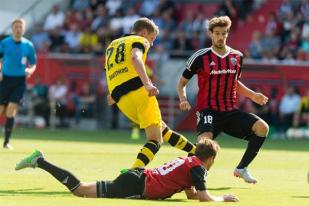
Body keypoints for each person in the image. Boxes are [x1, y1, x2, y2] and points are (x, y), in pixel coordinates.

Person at [177, 16, 269, 184]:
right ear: (210, 34)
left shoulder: (237, 56)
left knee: (262, 128)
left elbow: (234, 82)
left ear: (227, 33)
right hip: (208, 110)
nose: (220, 37)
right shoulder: (200, 57)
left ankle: (241, 168)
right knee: (205, 146)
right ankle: (194, 179)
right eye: (217, 33)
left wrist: (253, 95)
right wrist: (183, 98)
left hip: (229, 111)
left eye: (224, 33)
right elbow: (182, 82)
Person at [15, 139, 239, 202]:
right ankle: (41, 161)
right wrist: (222, 198)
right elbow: (203, 198)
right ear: (210, 159)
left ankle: (40, 160)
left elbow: (190, 193)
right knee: (80, 191)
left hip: (137, 176)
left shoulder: (187, 161)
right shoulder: (199, 168)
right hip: (136, 185)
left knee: (82, 189)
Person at [105, 17, 195, 168]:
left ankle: (195, 151)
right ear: (144, 32)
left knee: (162, 128)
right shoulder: (139, 40)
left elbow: (111, 72)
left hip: (121, 100)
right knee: (155, 139)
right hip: (139, 92)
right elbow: (135, 57)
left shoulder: (111, 46)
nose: (151, 43)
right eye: (152, 38)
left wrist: (113, 93)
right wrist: (147, 84)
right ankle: (132, 173)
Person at [0, 18, 37, 149]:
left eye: (20, 26)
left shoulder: (28, 45)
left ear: (23, 29)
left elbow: (33, 64)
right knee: (1, 110)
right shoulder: (5, 43)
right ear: (12, 28)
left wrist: (30, 71)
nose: (18, 29)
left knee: (11, 110)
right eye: (15, 26)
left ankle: (6, 142)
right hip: (4, 80)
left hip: (19, 81)